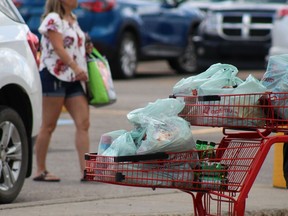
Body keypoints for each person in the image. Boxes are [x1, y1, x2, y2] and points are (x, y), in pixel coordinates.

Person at [33, 0, 93, 182]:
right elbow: (58, 47)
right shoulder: (53, 19)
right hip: (54, 75)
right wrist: (76, 67)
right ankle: (41, 170)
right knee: (49, 125)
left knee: (83, 124)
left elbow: (73, 46)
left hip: (75, 78)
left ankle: (86, 170)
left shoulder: (72, 19)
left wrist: (86, 49)